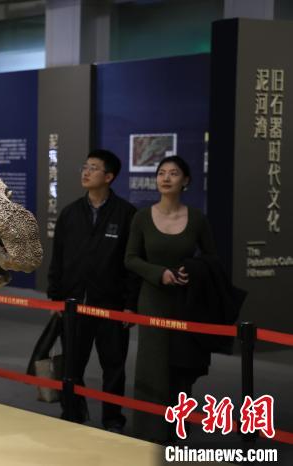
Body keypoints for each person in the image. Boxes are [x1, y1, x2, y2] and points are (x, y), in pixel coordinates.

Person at [42, 149, 139, 433]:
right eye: (85, 167)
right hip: (74, 304)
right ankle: (72, 412)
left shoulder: (126, 214)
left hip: (111, 305)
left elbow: (131, 264)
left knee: (114, 366)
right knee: (72, 364)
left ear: (109, 177)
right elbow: (57, 260)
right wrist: (55, 298)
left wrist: (130, 305)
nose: (86, 172)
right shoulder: (70, 213)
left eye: (93, 168)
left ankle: (113, 419)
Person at [124, 155, 216, 443]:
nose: (165, 178)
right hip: (153, 298)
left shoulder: (197, 218)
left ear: (185, 180)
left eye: (173, 173)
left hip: (185, 301)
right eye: (161, 173)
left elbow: (212, 258)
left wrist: (192, 270)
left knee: (181, 364)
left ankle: (177, 426)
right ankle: (148, 430)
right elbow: (130, 258)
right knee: (151, 364)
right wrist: (158, 273)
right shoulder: (142, 217)